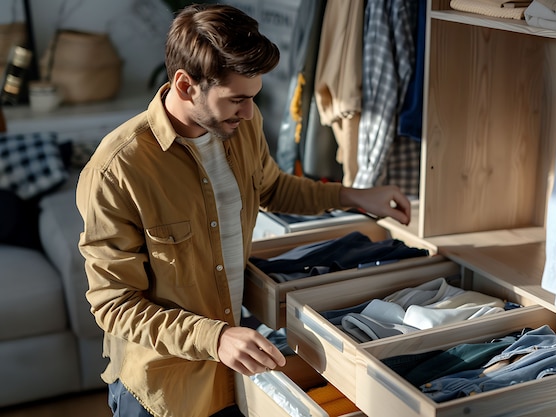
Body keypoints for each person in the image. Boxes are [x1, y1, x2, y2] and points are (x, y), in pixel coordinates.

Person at [76, 4, 411, 417]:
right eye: (237, 99)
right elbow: (115, 305)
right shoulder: (118, 169)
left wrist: (353, 196)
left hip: (233, 376)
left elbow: (270, 187)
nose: (251, 112)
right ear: (185, 85)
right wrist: (215, 338)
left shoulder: (240, 124)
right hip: (165, 391)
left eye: (254, 98)